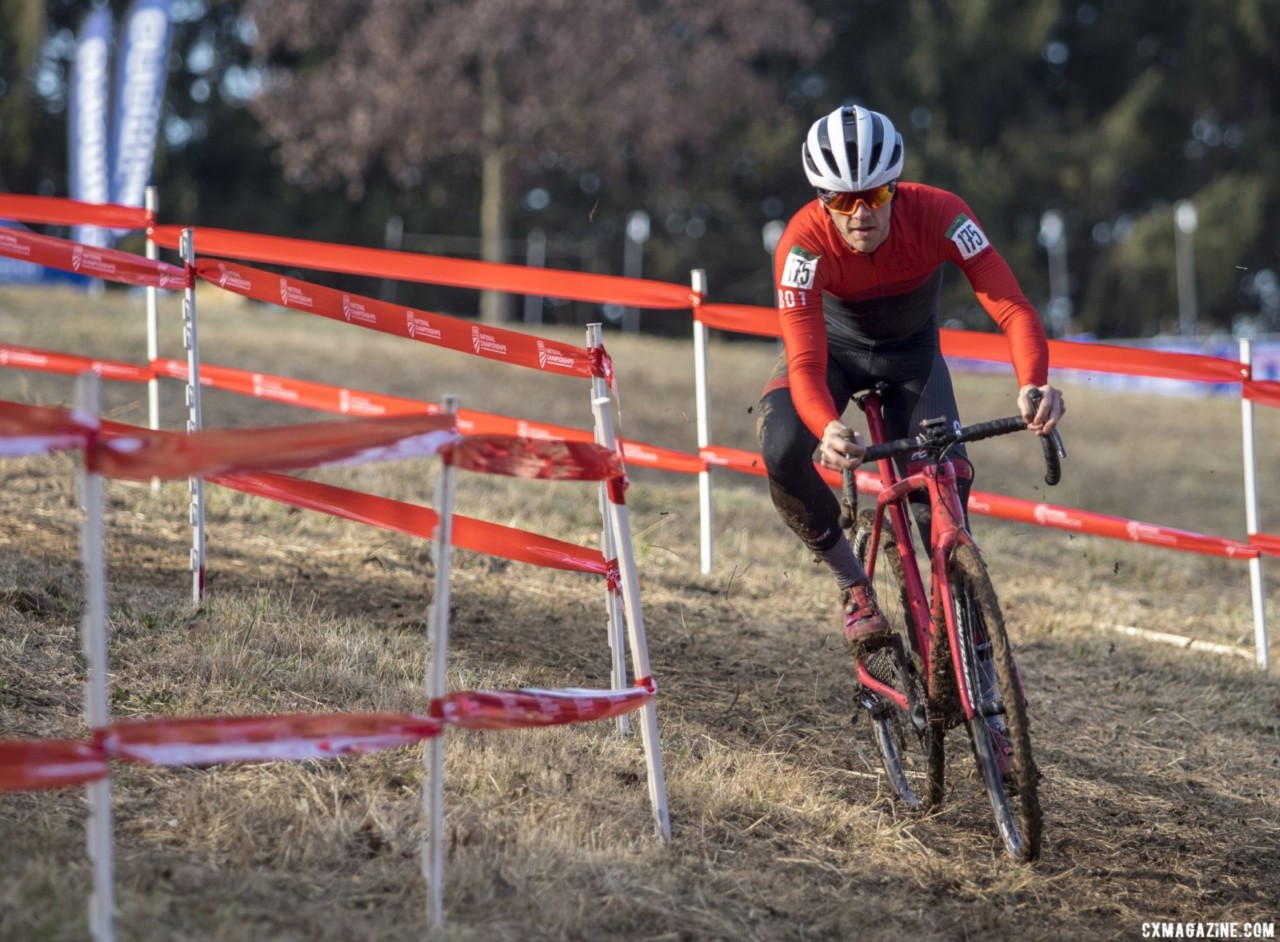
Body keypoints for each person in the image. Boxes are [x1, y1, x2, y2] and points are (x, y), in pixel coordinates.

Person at [756, 103, 1066, 652]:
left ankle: (968, 647)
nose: (860, 215)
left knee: (938, 501)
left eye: (875, 196)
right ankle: (853, 584)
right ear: (820, 198)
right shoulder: (801, 246)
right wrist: (827, 426)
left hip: (911, 357)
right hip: (832, 356)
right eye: (842, 200)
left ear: (895, 188)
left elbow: (1013, 308)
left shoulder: (942, 214)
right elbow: (804, 363)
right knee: (782, 448)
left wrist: (1033, 381)